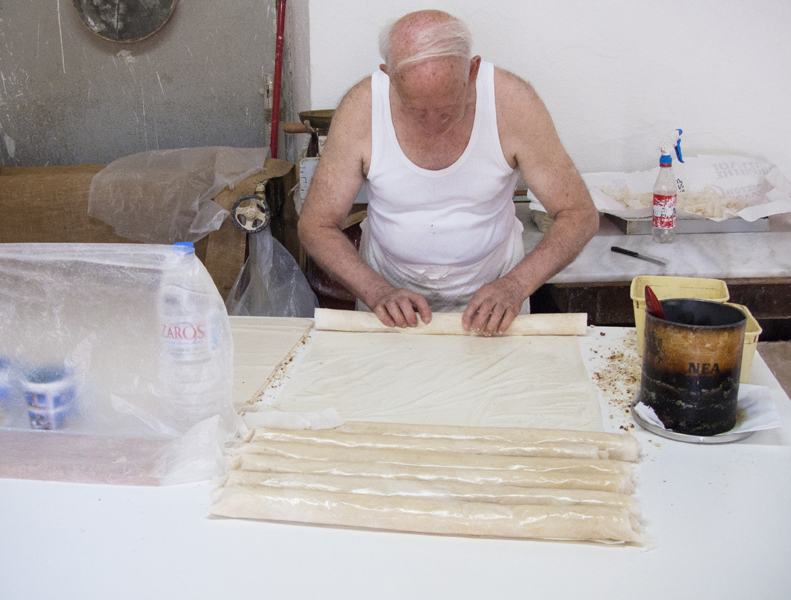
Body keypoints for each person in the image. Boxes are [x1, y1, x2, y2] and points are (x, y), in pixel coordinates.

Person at [298, 10, 599, 335]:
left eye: (447, 108)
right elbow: (317, 225)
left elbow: (578, 214)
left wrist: (515, 286)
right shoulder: (362, 108)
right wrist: (376, 290)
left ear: (472, 72)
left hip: (496, 300)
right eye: (414, 108)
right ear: (389, 76)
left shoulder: (513, 104)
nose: (432, 127)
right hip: (390, 299)